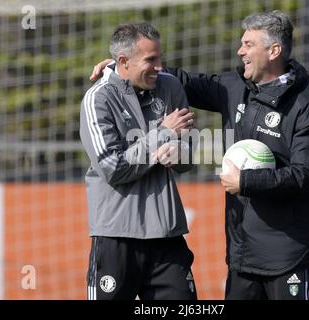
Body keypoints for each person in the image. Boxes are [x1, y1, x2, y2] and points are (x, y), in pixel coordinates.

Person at [90, 11, 309, 300]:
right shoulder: (233, 87)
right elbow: (183, 80)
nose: (240, 50)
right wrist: (126, 68)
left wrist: (245, 182)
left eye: (248, 44)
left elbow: (305, 176)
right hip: (243, 257)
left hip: (290, 255)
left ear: (274, 51)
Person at [80, 22, 197, 300]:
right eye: (151, 60)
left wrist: (180, 153)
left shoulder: (170, 85)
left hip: (167, 237)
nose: (159, 66)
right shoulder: (98, 98)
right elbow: (112, 167)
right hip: (116, 237)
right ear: (123, 61)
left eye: (159, 57)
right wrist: (163, 135)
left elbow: (191, 151)